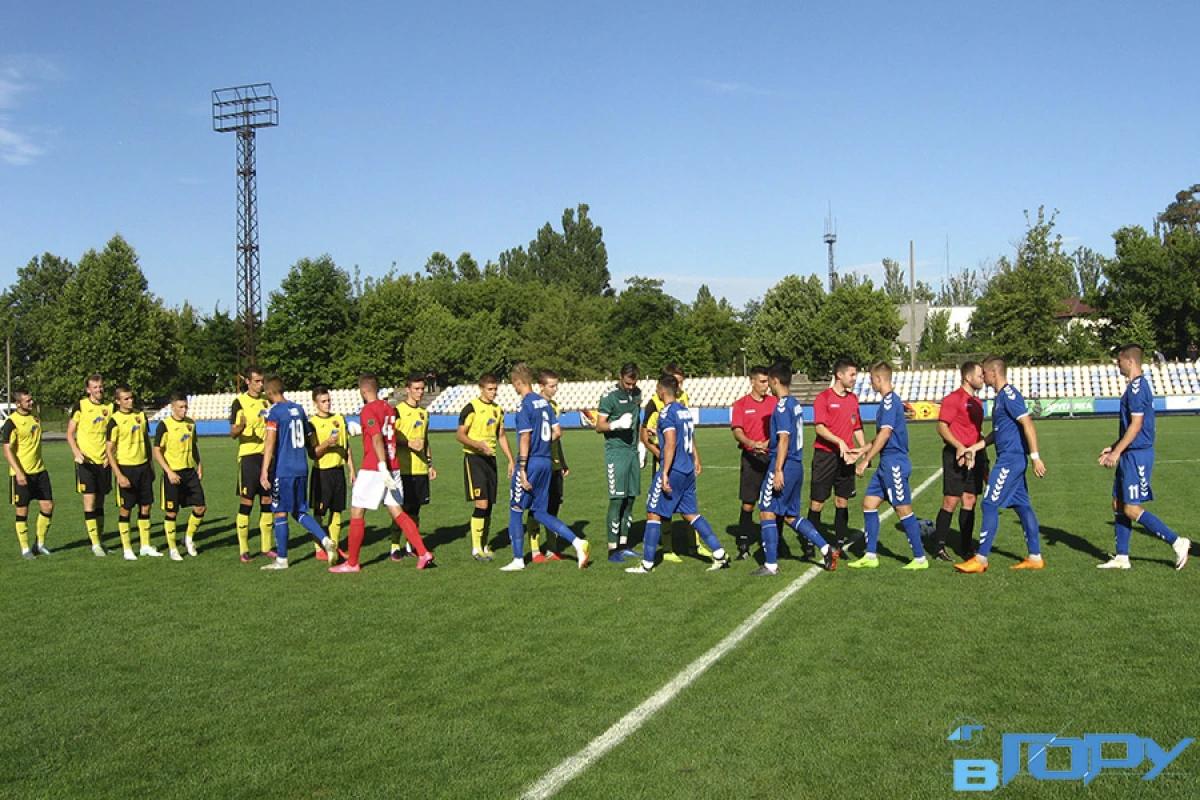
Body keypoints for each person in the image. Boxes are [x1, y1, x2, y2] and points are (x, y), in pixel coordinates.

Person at [1097, 344, 1191, 570]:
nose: (1117, 364)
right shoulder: (1134, 387)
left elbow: (1137, 424)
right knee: (1119, 503)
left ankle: (1177, 542)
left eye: (1119, 360)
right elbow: (1132, 425)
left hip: (1137, 455)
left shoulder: (1138, 388)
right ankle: (1122, 557)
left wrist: (1117, 452)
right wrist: (1115, 447)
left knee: (1131, 508)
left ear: (1129, 361)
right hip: (1130, 452)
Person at [330, 373, 434, 573]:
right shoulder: (388, 408)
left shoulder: (368, 410)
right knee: (397, 511)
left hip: (375, 468)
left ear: (363, 391)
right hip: (394, 465)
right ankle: (423, 552)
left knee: (357, 512)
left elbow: (377, 437)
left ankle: (352, 563)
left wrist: (381, 465)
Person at [626, 373, 729, 574]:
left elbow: (671, 443)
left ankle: (647, 564)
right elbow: (685, 436)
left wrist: (664, 472)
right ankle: (719, 553)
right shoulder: (684, 411)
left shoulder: (666, 413)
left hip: (674, 469)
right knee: (690, 513)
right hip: (687, 469)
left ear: (662, 391)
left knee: (653, 512)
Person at [955, 357, 1048, 573]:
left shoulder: (1009, 395)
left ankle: (981, 559)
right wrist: (975, 448)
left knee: (989, 503)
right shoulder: (1000, 398)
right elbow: (998, 433)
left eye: (985, 373)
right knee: (1023, 506)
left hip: (1010, 460)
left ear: (994, 373)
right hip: (1010, 458)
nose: (983, 376)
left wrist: (1035, 456)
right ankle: (1035, 557)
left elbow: (1028, 424)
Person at [498, 364, 590, 571]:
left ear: (518, 382)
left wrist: (522, 468)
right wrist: (542, 444)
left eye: (514, 384)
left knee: (516, 508)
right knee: (539, 512)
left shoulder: (525, 405)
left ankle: (518, 560)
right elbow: (557, 432)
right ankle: (577, 543)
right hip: (546, 462)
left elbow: (525, 437)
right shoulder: (546, 405)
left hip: (530, 462)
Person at [751, 363, 837, 576]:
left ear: (775, 380)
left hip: (785, 464)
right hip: (796, 464)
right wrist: (767, 445)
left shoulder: (781, 406)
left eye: (769, 381)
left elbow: (784, 439)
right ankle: (826, 548)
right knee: (790, 516)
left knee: (766, 510)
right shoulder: (795, 404)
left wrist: (778, 469)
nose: (768, 386)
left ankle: (771, 565)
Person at [845, 362, 929, 570]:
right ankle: (871, 555)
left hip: (895, 464)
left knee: (903, 509)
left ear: (879, 379)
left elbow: (885, 434)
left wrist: (866, 460)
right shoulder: (886, 403)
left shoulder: (890, 402)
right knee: (869, 504)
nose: (871, 384)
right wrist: (862, 450)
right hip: (886, 463)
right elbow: (881, 436)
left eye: (872, 379)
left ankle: (920, 558)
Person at [257, 376, 337, 570]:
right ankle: (325, 540)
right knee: (299, 511)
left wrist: (264, 470)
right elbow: (309, 435)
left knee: (280, 512)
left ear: (269, 392)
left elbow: (270, 442)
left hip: (283, 469)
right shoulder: (299, 409)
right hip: (301, 467)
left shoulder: (275, 412)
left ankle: (282, 559)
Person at [808, 359, 865, 556]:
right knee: (818, 501)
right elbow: (819, 428)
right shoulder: (823, 398)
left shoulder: (853, 399)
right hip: (825, 456)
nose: (854, 378)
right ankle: (810, 542)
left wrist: (864, 451)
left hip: (846, 457)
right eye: (852, 374)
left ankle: (840, 542)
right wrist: (839, 441)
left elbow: (857, 427)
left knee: (842, 500)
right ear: (839, 375)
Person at [639, 364, 696, 562]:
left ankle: (694, 545)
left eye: (681, 382)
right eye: (677, 382)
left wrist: (695, 456)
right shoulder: (654, 403)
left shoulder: (683, 399)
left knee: (688, 506)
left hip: (683, 461)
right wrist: (659, 454)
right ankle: (668, 548)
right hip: (666, 461)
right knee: (662, 506)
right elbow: (644, 434)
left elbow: (688, 432)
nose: (680, 386)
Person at [456, 373, 514, 561]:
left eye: (495, 389)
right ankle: (476, 548)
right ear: (481, 389)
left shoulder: (498, 410)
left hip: (491, 460)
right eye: (490, 389)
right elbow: (460, 435)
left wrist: (511, 460)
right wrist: (478, 444)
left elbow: (501, 436)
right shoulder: (471, 408)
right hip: (474, 459)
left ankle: (484, 545)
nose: (493, 392)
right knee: (481, 503)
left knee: (489, 505)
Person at [934, 362, 988, 561]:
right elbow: (941, 427)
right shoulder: (953, 399)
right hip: (956, 455)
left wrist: (981, 456)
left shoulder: (978, 403)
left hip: (974, 456)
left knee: (970, 499)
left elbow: (977, 431)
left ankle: (966, 548)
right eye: (980, 375)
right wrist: (959, 446)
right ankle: (939, 547)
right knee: (951, 500)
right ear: (968, 377)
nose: (983, 379)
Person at [594, 362, 642, 562]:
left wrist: (641, 446)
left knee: (630, 499)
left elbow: (638, 421)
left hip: (632, 451)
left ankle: (624, 544)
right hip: (616, 452)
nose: (631, 387)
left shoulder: (637, 393)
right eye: (628, 383)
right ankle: (612, 549)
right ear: (620, 376)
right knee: (617, 499)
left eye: (634, 383)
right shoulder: (610, 396)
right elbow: (599, 426)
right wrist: (616, 424)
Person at [105, 385, 159, 561]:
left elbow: (146, 441)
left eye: (131, 397)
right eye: (126, 399)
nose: (130, 401)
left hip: (143, 467)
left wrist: (150, 465)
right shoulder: (114, 421)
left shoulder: (141, 416)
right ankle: (127, 548)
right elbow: (109, 450)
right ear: (117, 401)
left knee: (146, 506)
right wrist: (119, 475)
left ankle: (145, 546)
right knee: (126, 508)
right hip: (126, 468)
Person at [152, 392, 206, 561]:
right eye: (181, 407)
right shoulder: (164, 425)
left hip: (190, 472)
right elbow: (157, 451)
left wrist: (199, 463)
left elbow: (193, 445)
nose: (184, 410)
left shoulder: (190, 424)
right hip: (173, 473)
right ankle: (173, 548)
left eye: (185, 407)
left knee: (200, 507)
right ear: (172, 407)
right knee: (172, 512)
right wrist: (169, 471)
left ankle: (188, 538)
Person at [229, 367, 274, 562]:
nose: (260, 384)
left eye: (262, 381)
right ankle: (244, 550)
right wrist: (240, 427)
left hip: (267, 458)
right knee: (247, 503)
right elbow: (232, 432)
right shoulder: (239, 403)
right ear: (247, 381)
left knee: (267, 502)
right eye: (256, 381)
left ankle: (266, 547)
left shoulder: (266, 402)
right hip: (248, 458)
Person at [66, 374, 113, 557]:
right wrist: (76, 452)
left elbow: (114, 435)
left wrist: (111, 455)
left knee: (100, 502)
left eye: (100, 386)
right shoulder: (81, 405)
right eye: (95, 387)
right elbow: (70, 433)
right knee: (90, 500)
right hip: (86, 462)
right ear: (88, 390)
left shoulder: (109, 407)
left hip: (104, 462)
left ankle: (100, 540)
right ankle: (95, 544)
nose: (99, 390)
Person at [2, 389, 53, 558]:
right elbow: (7, 450)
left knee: (48, 507)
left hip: (40, 471)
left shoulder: (35, 417)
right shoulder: (12, 422)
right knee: (22, 511)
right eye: (27, 401)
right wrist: (19, 472)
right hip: (22, 473)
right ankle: (25, 548)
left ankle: (40, 544)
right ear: (18, 404)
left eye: (31, 400)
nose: (31, 403)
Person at [730, 366, 772, 560]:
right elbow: (737, 431)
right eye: (762, 381)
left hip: (771, 457)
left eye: (767, 381)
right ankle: (744, 544)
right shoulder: (741, 404)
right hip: (750, 458)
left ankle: (775, 544)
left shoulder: (774, 403)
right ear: (752, 382)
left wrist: (767, 443)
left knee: (773, 504)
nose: (766, 385)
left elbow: (780, 430)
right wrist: (751, 443)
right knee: (748, 504)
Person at [393, 373, 433, 561]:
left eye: (422, 389)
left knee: (416, 509)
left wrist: (430, 463)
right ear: (407, 389)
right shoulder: (397, 412)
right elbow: (390, 438)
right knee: (400, 509)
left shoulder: (424, 413)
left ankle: (412, 544)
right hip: (403, 469)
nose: (420, 392)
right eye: (416, 389)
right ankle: (395, 545)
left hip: (420, 468)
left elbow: (426, 440)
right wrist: (408, 443)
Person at [528, 369, 567, 562]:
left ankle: (552, 549)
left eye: (556, 385)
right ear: (540, 386)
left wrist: (563, 461)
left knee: (553, 506)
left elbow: (557, 439)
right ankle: (535, 550)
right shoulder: (532, 406)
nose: (555, 389)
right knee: (536, 506)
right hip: (538, 462)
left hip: (554, 464)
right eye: (551, 386)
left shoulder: (554, 406)